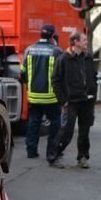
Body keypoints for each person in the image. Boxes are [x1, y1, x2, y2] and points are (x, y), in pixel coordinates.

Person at [50, 31, 97, 169]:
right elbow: (55, 81)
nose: (86, 42)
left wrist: (92, 93)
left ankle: (82, 157)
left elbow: (92, 76)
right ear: (75, 42)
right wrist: (63, 100)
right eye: (84, 40)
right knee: (67, 130)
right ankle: (54, 156)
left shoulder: (88, 57)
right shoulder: (63, 59)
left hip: (87, 101)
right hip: (71, 102)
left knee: (85, 131)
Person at [21, 24, 64, 160]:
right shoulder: (57, 51)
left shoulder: (29, 49)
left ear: (40, 34)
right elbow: (62, 74)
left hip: (34, 96)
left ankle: (31, 151)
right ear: (52, 36)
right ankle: (52, 152)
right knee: (55, 123)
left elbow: (22, 74)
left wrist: (30, 86)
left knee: (34, 123)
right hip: (52, 97)